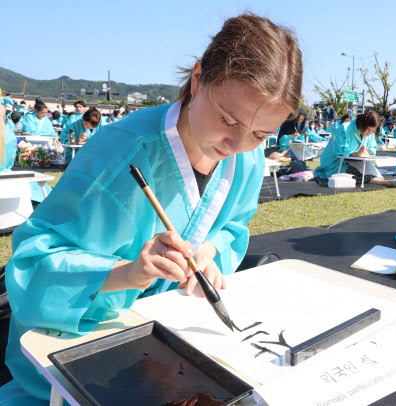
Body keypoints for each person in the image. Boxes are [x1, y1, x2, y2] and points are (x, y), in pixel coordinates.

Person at [1, 13, 302, 404]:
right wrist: (129, 272)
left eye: (260, 133)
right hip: (87, 362)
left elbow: (234, 227)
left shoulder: (248, 159)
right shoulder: (119, 153)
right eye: (227, 119)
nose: (236, 143)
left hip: (175, 351)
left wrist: (209, 252)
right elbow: (31, 263)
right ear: (197, 78)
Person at [315, 111, 396, 187]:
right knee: (354, 173)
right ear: (363, 124)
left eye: (373, 131)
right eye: (369, 130)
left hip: (359, 163)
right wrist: (355, 154)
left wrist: (367, 152)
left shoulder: (371, 133)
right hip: (335, 164)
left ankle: (388, 182)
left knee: (370, 172)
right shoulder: (345, 128)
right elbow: (339, 151)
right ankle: (387, 182)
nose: (370, 133)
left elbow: (372, 148)